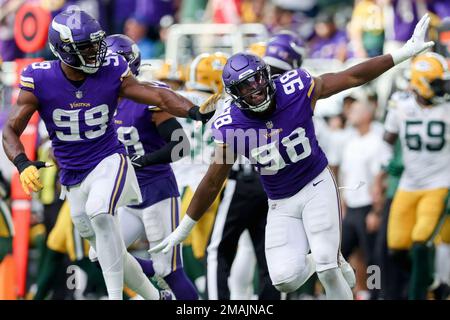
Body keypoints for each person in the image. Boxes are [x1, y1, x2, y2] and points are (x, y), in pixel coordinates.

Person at [150, 14, 435, 300]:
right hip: (280, 202)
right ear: (235, 95)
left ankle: (329, 259)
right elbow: (213, 181)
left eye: (258, 79)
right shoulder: (230, 124)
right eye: (246, 87)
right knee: (285, 280)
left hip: (315, 184)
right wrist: (184, 227)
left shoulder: (296, 88)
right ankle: (327, 259)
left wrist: (402, 53)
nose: (256, 88)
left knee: (326, 266)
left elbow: (353, 76)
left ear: (267, 73)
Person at [1, 9, 216, 300]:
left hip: (138, 179)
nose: (98, 54)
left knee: (114, 224)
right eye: (87, 48)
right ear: (64, 51)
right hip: (79, 176)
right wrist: (23, 161)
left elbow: (163, 105)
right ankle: (156, 297)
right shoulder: (41, 78)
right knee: (99, 252)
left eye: (97, 45)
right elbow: (12, 129)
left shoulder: (120, 79)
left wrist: (192, 111)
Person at [104, 34, 198, 300]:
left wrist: (144, 160)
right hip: (125, 193)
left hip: (157, 191)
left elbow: (181, 147)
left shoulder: (147, 97)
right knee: (103, 255)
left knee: (169, 270)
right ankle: (158, 293)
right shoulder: (100, 99)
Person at [383, 52, 450, 300]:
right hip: (408, 184)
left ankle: (417, 295)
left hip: (439, 184)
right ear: (421, 82)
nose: (443, 87)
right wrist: (386, 161)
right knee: (396, 248)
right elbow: (387, 139)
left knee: (421, 242)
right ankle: (433, 283)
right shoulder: (400, 104)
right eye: (437, 83)